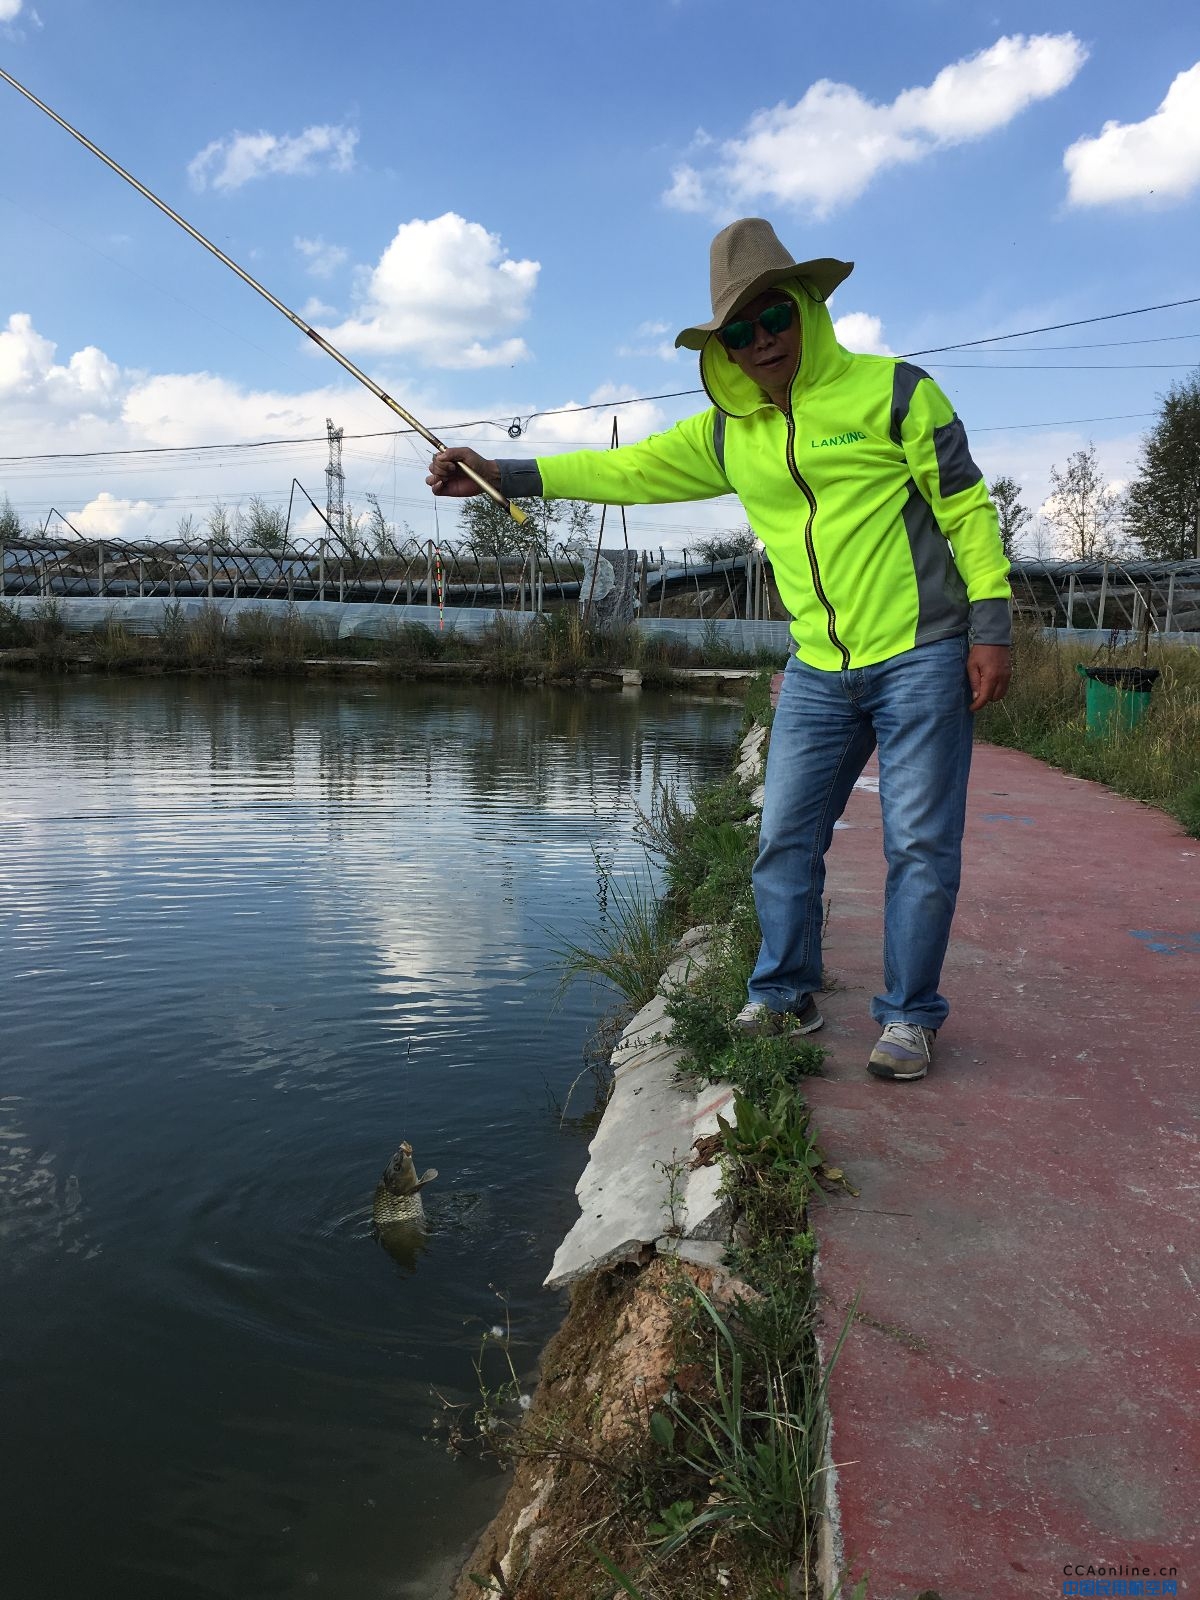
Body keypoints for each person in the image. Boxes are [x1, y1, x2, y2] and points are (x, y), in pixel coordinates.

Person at [427, 217, 1012, 1083]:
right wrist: (503, 475)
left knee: (920, 845)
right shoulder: (726, 434)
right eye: (738, 333)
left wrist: (991, 627)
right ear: (722, 350)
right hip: (816, 665)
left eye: (772, 318)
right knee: (782, 837)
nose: (760, 341)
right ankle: (785, 996)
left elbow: (966, 508)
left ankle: (909, 1016)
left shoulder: (896, 393)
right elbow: (621, 473)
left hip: (921, 652)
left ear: (806, 308)